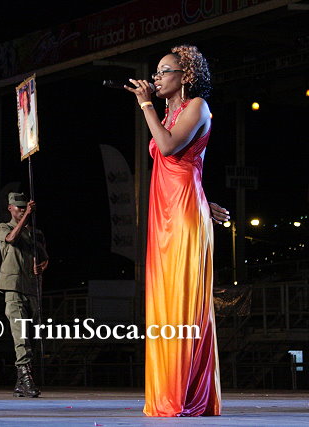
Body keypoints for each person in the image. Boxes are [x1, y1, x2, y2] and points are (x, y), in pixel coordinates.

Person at [125, 45, 221, 416]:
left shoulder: (197, 106)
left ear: (186, 76)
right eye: (157, 72)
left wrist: (145, 105)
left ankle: (182, 393)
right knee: (163, 303)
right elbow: (183, 164)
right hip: (165, 209)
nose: (157, 77)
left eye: (165, 71)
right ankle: (169, 388)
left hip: (182, 212)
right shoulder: (169, 112)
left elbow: (167, 148)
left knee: (181, 302)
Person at [0, 192, 48, 398]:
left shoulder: (37, 233)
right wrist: (27, 216)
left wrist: (41, 266)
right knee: (20, 333)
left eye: (24, 207)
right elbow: (11, 239)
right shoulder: (4, 227)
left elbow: (45, 257)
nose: (21, 210)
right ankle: (26, 377)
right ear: (10, 208)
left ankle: (21, 381)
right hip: (13, 287)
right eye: (18, 207)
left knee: (31, 333)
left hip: (32, 288)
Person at [19, 88, 37, 158]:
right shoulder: (22, 117)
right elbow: (21, 133)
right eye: (23, 100)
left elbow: (33, 131)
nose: (24, 102)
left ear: (28, 100)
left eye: (25, 99)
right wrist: (21, 147)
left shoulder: (31, 116)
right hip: (23, 149)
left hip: (29, 147)